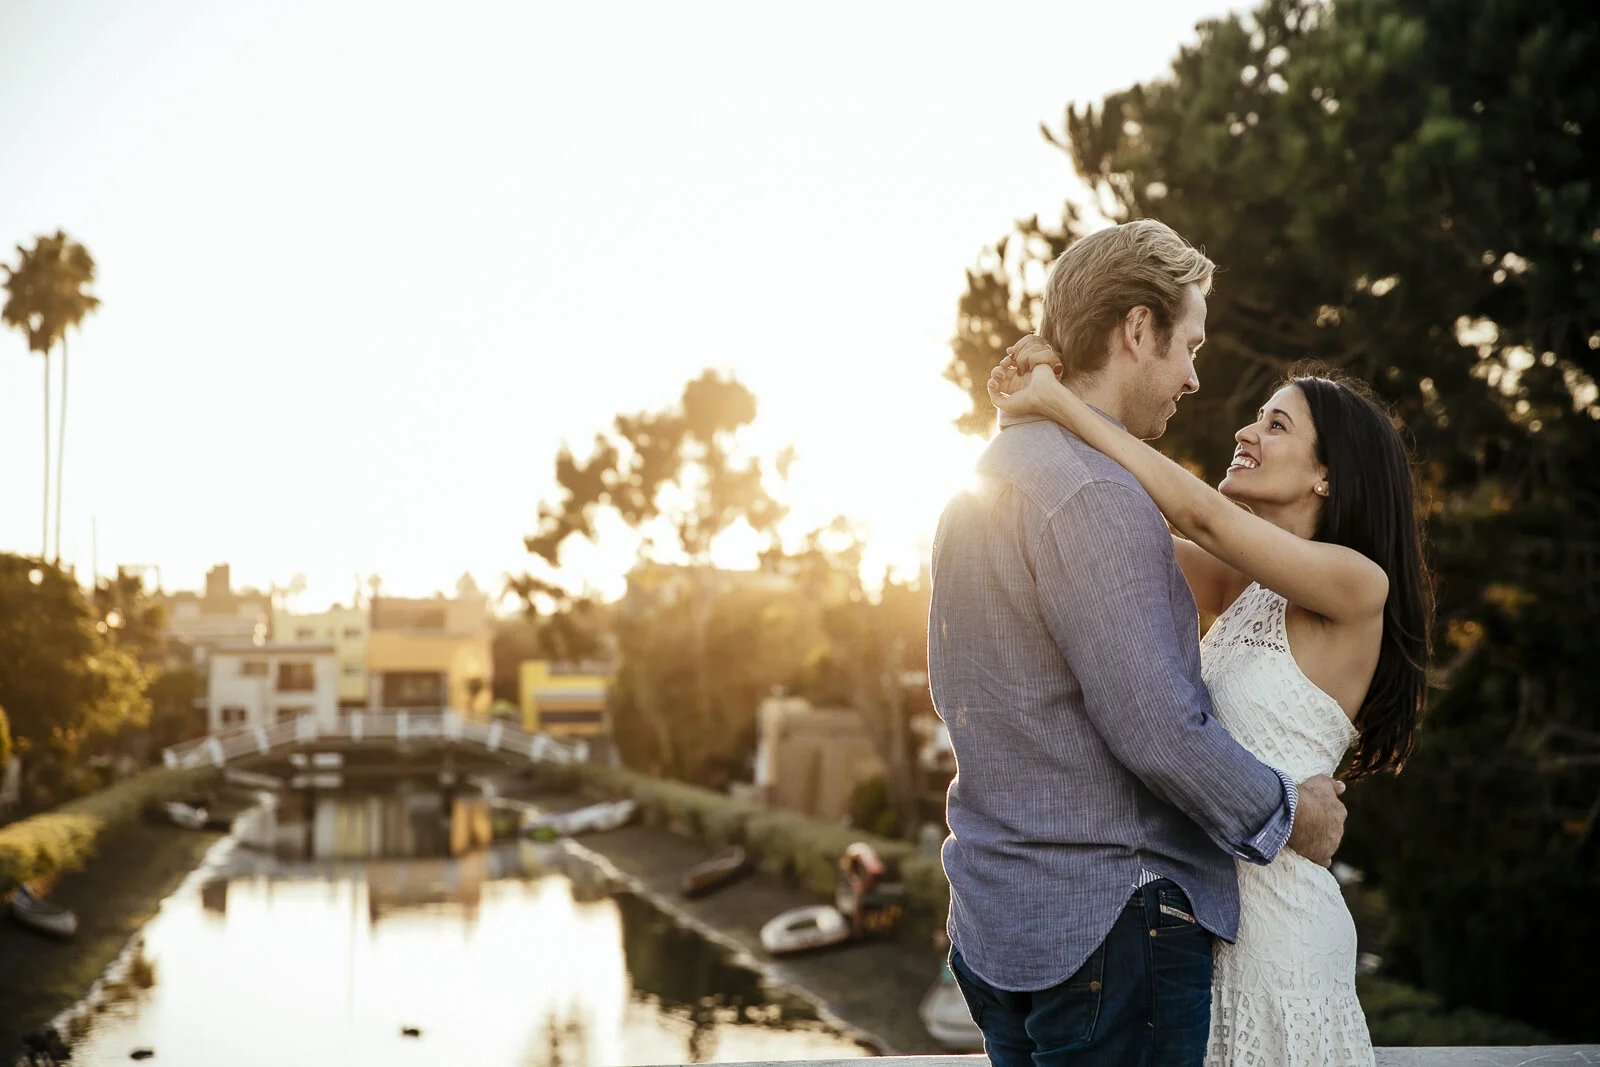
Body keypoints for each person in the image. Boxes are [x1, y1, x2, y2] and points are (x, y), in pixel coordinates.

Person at [928, 219, 1352, 1067]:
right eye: (1188, 345)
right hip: (1109, 930)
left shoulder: (981, 483)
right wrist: (1289, 813)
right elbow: (1156, 728)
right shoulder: (1095, 496)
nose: (1195, 379)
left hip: (998, 922)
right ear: (1135, 329)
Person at [987, 333, 1432, 1066]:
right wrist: (1024, 415)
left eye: (1276, 425)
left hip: (1281, 941)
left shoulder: (1358, 585)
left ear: (1328, 475)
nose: (1245, 431)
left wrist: (1059, 404)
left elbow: (1202, 517)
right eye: (1258, 417)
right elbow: (1102, 530)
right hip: (1194, 929)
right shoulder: (1241, 585)